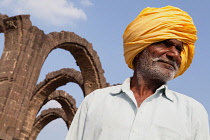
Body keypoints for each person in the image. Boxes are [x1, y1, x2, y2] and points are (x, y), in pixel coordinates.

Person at [65, 6, 210, 140]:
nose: (174, 54)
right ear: (140, 49)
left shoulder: (192, 112)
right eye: (164, 43)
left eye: (179, 49)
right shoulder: (95, 102)